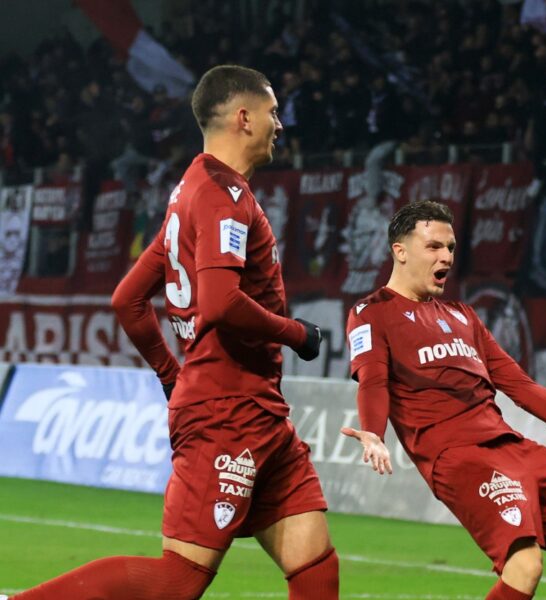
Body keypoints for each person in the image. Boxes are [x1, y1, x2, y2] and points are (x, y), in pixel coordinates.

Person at [13, 65, 355, 599]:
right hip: (227, 413)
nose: (280, 125)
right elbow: (220, 303)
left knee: (315, 568)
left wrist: (173, 377)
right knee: (178, 581)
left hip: (257, 412)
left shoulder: (191, 190)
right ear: (244, 117)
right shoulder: (222, 195)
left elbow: (128, 299)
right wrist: (296, 334)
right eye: (272, 113)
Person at [340, 199, 546, 599]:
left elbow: (522, 388)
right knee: (525, 566)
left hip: (511, 446)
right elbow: (373, 380)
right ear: (400, 251)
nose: (446, 257)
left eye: (450, 248)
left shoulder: (462, 316)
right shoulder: (371, 313)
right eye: (434, 247)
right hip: (459, 456)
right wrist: (374, 432)